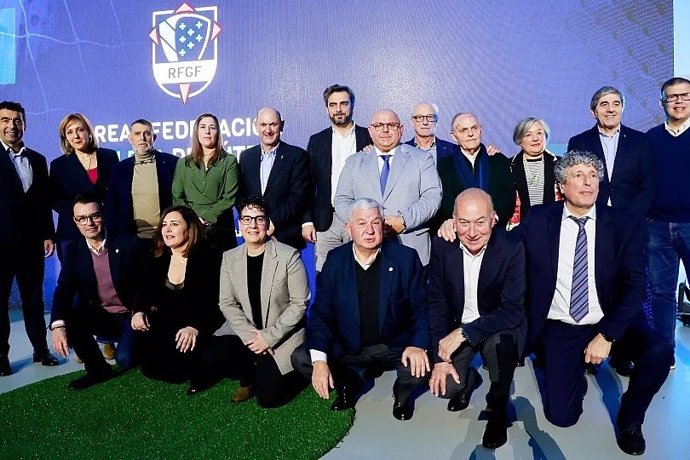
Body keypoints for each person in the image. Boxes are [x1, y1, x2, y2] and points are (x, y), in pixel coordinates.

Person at [514, 151, 672, 456]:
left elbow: (637, 286)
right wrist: (455, 229)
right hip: (563, 324)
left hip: (611, 319)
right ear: (561, 186)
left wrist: (608, 335)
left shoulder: (624, 223)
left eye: (592, 175)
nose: (588, 182)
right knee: (561, 418)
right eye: (578, 175)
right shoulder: (539, 219)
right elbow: (502, 246)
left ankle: (630, 418)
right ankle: (570, 367)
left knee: (660, 349)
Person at [292, 198, 431, 421]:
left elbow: (422, 309)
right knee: (302, 358)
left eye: (375, 223)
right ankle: (351, 383)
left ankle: (402, 394)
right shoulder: (335, 260)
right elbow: (321, 314)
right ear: (349, 228)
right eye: (361, 224)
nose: (369, 231)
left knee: (423, 362)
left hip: (394, 345)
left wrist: (417, 345)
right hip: (350, 347)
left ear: (382, 225)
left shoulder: (405, 259)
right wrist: (319, 363)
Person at [428, 188, 525, 449]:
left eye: (480, 222)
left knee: (503, 348)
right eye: (464, 222)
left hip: (494, 325)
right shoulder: (441, 245)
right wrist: (440, 357)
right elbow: (436, 303)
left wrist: (465, 333)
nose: (472, 232)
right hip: (456, 324)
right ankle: (468, 379)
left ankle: (497, 411)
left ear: (493, 218)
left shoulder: (511, 248)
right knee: (445, 388)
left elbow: (513, 311)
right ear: (453, 220)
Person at [197, 198, 309, 407]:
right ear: (240, 224)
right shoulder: (230, 258)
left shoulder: (288, 256)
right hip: (247, 334)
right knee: (212, 354)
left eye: (259, 219)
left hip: (281, 335)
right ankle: (248, 374)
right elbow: (227, 303)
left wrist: (268, 337)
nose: (253, 225)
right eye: (247, 219)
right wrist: (252, 337)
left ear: (267, 223)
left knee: (269, 399)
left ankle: (292, 373)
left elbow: (299, 304)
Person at [49, 195, 139, 389]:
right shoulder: (73, 250)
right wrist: (57, 325)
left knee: (125, 359)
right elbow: (63, 289)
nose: (89, 223)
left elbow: (145, 282)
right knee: (70, 316)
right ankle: (98, 369)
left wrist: (140, 310)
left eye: (94, 216)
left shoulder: (126, 242)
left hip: (132, 316)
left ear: (103, 216)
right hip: (102, 316)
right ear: (75, 221)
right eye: (82, 218)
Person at [334, 109, 441, 266]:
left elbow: (432, 197)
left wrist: (404, 221)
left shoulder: (422, 159)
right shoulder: (353, 162)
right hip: (365, 250)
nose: (385, 130)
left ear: (401, 129)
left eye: (391, 125)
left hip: (410, 245)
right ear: (370, 130)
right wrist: (363, 223)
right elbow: (342, 200)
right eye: (379, 125)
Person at [132, 205, 224, 388]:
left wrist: (196, 326)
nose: (167, 229)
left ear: (189, 230)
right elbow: (143, 290)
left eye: (174, 224)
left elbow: (217, 303)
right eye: (164, 224)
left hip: (199, 324)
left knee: (189, 365)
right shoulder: (157, 256)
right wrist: (138, 311)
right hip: (167, 325)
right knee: (151, 366)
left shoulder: (208, 256)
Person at [0, 100, 58, 376]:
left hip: (32, 245)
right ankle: (1, 356)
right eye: (6, 120)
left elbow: (43, 202)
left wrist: (48, 233)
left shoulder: (37, 159)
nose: (12, 125)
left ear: (25, 124)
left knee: (33, 300)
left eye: (17, 120)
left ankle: (41, 350)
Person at [302, 84, 372, 272]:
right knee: (326, 274)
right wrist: (307, 221)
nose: (338, 109)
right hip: (326, 220)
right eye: (333, 105)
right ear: (327, 108)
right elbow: (308, 185)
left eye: (343, 103)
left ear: (352, 106)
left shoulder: (369, 136)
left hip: (361, 218)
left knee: (361, 273)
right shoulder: (317, 141)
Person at [645, 76, 690, 359]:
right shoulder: (649, 139)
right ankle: (665, 353)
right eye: (672, 97)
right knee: (662, 293)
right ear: (662, 102)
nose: (678, 101)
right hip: (657, 226)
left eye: (684, 95)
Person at [567, 86, 655, 216]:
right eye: (604, 104)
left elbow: (649, 184)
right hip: (592, 217)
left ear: (622, 109)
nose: (611, 109)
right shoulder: (579, 142)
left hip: (631, 217)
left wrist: (633, 215)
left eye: (616, 104)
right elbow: (575, 183)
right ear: (593, 112)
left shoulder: (641, 140)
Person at [238, 107, 311, 250]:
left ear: (281, 125)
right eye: (263, 125)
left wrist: (272, 222)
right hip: (254, 236)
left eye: (273, 124)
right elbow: (241, 195)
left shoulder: (297, 156)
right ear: (256, 126)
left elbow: (298, 197)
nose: (268, 130)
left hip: (285, 236)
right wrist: (255, 222)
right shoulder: (246, 157)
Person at [50, 113, 120, 259]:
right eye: (69, 132)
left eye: (80, 130)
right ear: (65, 138)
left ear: (89, 132)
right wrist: (80, 213)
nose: (76, 136)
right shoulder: (59, 165)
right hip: (72, 232)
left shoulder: (109, 156)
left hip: (106, 229)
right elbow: (54, 199)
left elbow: (117, 192)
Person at [105, 119, 178, 250]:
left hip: (166, 240)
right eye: (137, 134)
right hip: (132, 242)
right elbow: (112, 206)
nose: (142, 138)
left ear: (154, 138)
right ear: (130, 138)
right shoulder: (119, 169)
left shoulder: (172, 163)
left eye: (147, 133)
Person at [434, 113, 515, 230]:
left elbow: (507, 196)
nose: (470, 134)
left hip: (495, 228)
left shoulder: (498, 160)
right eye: (463, 130)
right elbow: (446, 202)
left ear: (480, 130)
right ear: (453, 136)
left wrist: (493, 219)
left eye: (474, 128)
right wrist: (465, 224)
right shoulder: (445, 165)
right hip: (461, 231)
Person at [172, 113, 239, 253]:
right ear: (197, 132)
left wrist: (206, 217)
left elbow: (229, 198)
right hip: (191, 230)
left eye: (212, 127)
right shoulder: (183, 163)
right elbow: (177, 197)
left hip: (221, 230)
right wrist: (194, 219)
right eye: (203, 127)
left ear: (218, 132)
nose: (207, 131)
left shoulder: (229, 161)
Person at [510, 117, 559, 221]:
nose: (535, 138)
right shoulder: (508, 166)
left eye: (539, 133)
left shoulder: (561, 164)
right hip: (519, 230)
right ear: (519, 141)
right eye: (528, 134)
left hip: (553, 226)